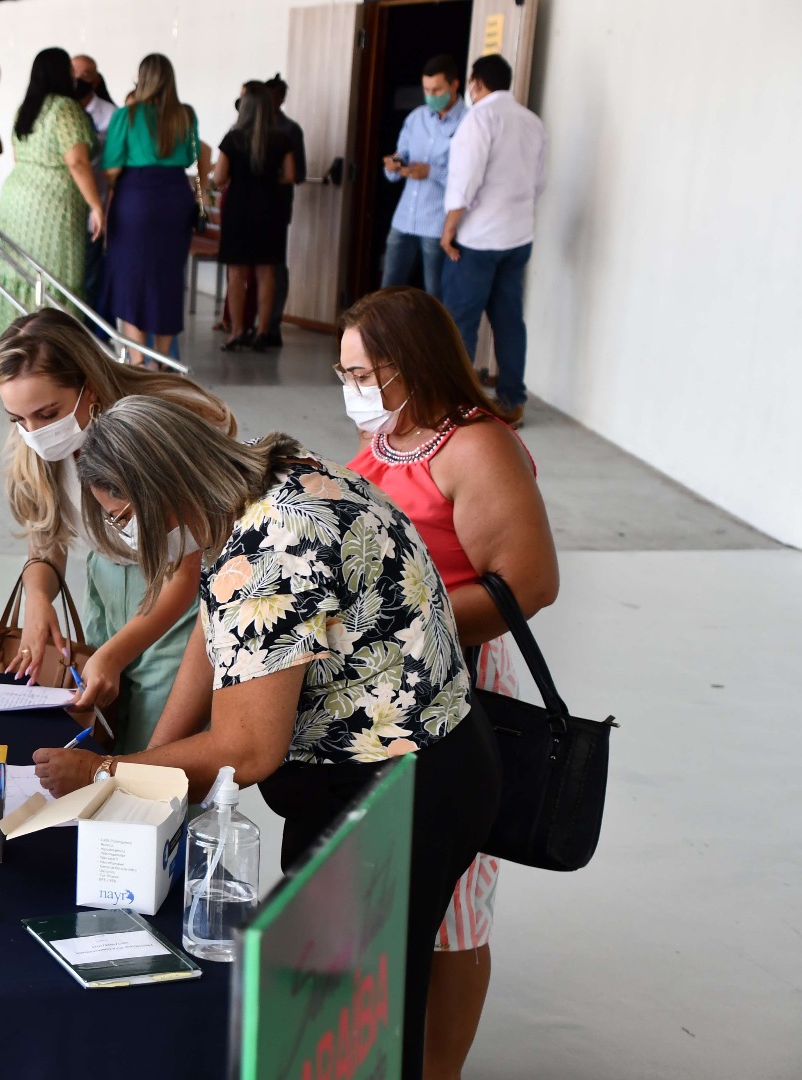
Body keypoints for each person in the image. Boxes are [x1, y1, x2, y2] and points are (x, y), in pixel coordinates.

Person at [30, 395, 500, 1080]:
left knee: (353, 1031)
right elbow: (215, 622)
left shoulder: (273, 547)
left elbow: (248, 750)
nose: (126, 533)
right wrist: (157, 755)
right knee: (346, 1006)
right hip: (413, 763)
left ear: (164, 484)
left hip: (402, 792)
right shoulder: (259, 473)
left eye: (126, 514)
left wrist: (110, 772)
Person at [339, 286, 557, 1080]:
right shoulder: (392, 435)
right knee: (395, 885)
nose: (351, 385)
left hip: (458, 683)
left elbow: (527, 586)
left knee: (456, 905)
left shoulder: (476, 446)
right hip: (382, 687)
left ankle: (439, 1070)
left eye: (360, 370)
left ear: (407, 365)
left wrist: (399, 621)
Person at [0, 307, 235, 753]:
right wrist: (38, 597)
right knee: (104, 741)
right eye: (18, 420)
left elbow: (183, 574)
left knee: (160, 759)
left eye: (47, 413)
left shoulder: (159, 430)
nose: (34, 434)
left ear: (90, 385)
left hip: (176, 604)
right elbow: (46, 537)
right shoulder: (33, 448)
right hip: (106, 585)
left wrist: (115, 654)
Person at [441, 53, 546, 424]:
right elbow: (539, 183)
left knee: (459, 324)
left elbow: (465, 182)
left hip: (478, 240)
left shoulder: (479, 119)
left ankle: (458, 403)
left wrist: (450, 227)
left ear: (476, 83)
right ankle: (511, 401)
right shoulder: (532, 122)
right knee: (509, 320)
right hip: (517, 237)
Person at [0, 48, 104, 344]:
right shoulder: (66, 109)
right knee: (56, 275)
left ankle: (16, 342)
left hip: (18, 196)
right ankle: (55, 347)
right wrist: (97, 206)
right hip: (52, 204)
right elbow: (76, 162)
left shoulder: (26, 108)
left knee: (20, 270)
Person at [100, 53, 208, 364]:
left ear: (142, 78)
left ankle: (137, 360)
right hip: (175, 198)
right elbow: (191, 157)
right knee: (168, 277)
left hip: (136, 199)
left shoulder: (127, 115)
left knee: (131, 276)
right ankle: (162, 360)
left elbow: (111, 167)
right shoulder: (185, 115)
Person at [213, 81, 296, 350]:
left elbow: (220, 177)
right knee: (266, 272)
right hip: (270, 208)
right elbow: (291, 175)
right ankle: (262, 331)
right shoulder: (282, 138)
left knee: (236, 273)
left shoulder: (233, 139)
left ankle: (237, 331)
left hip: (238, 209)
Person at [381, 55, 466, 297]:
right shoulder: (416, 117)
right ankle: (383, 336)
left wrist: (430, 171)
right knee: (387, 290)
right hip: (404, 218)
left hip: (437, 223)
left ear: (454, 85)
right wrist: (393, 165)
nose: (431, 95)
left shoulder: (468, 122)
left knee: (435, 295)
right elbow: (400, 159)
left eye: (437, 89)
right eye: (427, 89)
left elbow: (468, 178)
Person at [261, 74, 307, 348]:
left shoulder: (291, 130)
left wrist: (270, 176)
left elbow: (299, 173)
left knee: (275, 266)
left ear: (281, 99)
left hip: (276, 206)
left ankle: (272, 324)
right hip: (252, 206)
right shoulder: (252, 126)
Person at [72, 54, 116, 321]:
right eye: (73, 74)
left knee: (89, 276)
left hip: (93, 206)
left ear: (96, 79)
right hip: (62, 206)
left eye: (85, 75)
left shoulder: (111, 115)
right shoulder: (61, 110)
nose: (78, 80)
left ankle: (86, 335)